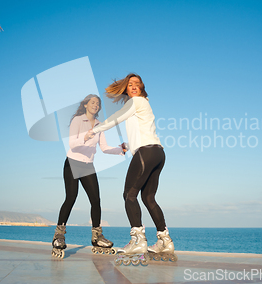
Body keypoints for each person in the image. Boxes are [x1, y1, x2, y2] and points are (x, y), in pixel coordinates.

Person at [86, 74, 176, 264]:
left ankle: (138, 240)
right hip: (158, 153)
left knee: (129, 194)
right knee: (148, 198)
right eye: (130, 84)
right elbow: (140, 129)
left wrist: (93, 130)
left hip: (145, 153)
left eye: (137, 84)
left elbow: (115, 118)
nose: (133, 87)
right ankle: (165, 241)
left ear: (141, 87)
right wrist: (128, 144)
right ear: (126, 88)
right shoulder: (144, 103)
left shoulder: (136, 101)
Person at [51, 94, 126, 258]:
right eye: (93, 102)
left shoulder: (99, 125)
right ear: (85, 104)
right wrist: (86, 136)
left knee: (96, 200)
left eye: (98, 104)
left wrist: (120, 149)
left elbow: (104, 148)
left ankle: (97, 237)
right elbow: (72, 143)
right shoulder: (78, 120)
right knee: (71, 197)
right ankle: (59, 236)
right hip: (72, 162)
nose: (96, 105)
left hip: (88, 165)